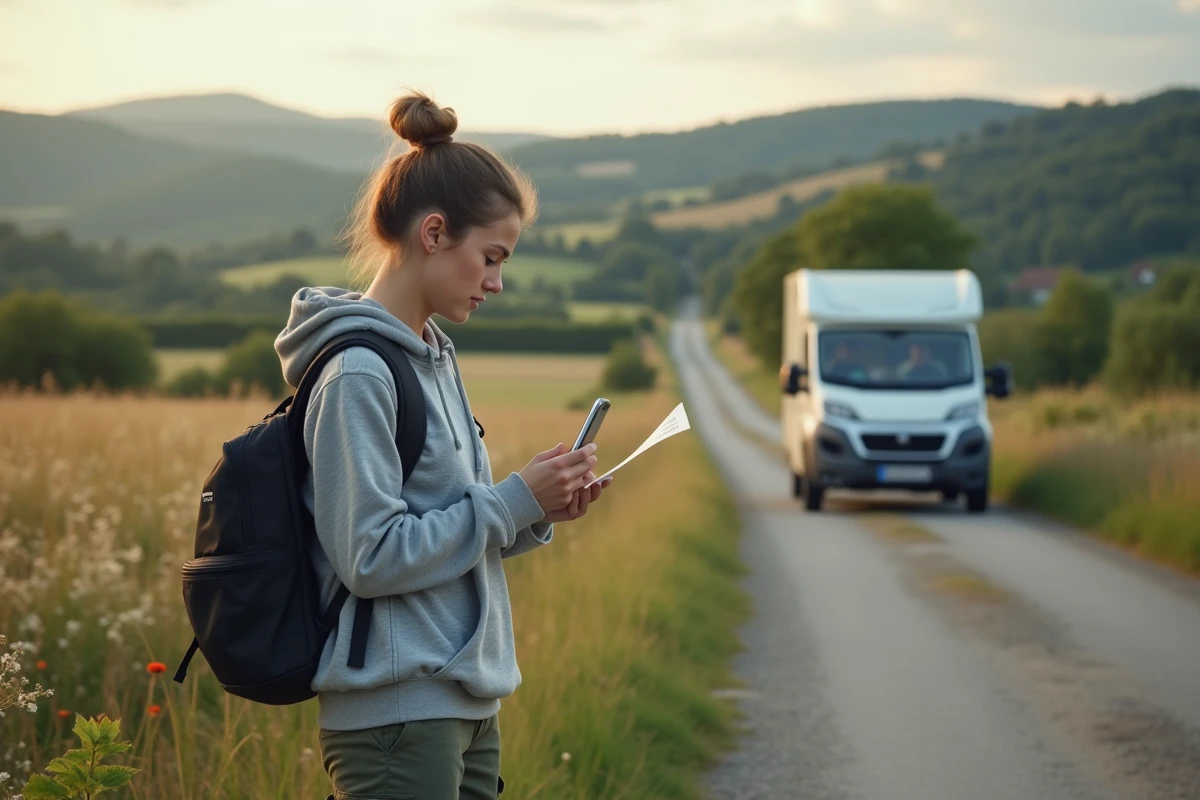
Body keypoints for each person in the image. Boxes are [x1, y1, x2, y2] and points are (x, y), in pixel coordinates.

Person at [273, 91, 611, 800]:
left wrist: (536, 510)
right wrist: (512, 498)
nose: (496, 282)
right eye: (490, 257)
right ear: (433, 234)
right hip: (397, 713)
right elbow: (370, 556)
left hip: (463, 702)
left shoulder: (433, 356)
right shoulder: (359, 372)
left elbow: (450, 525)